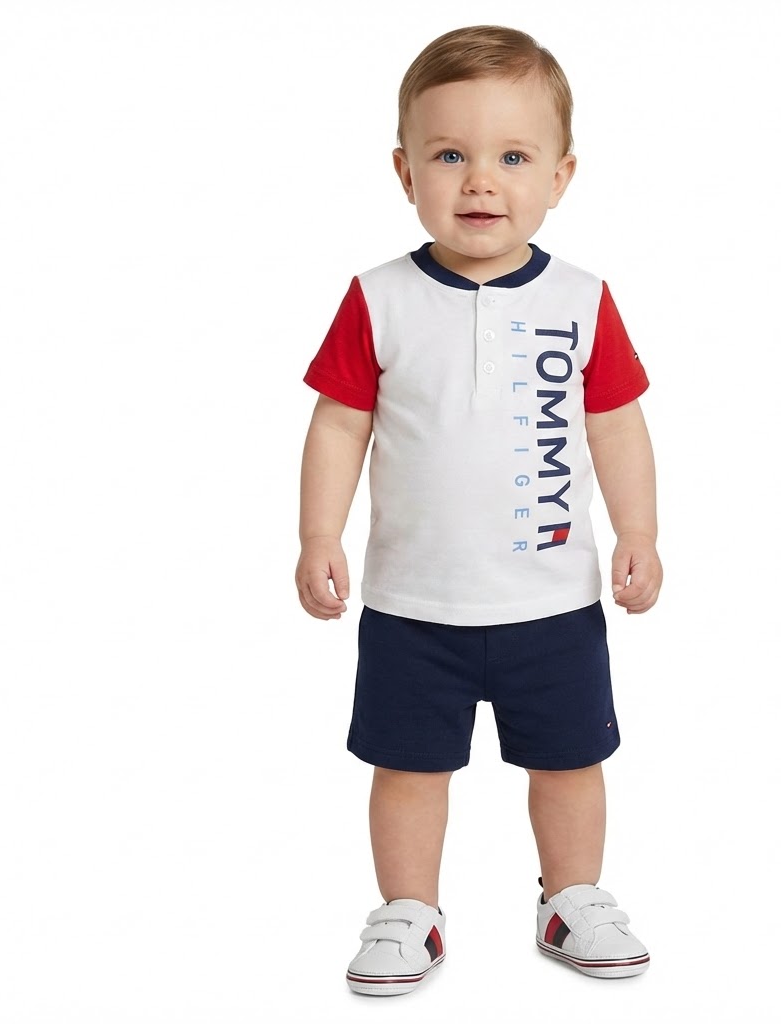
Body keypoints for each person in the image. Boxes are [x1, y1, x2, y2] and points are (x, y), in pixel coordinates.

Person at [296, 24, 663, 997]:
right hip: (414, 606)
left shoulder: (583, 299)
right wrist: (318, 535)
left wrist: (639, 532)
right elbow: (338, 425)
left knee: (572, 759)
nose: (480, 183)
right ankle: (408, 910)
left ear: (561, 175)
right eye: (450, 155)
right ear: (405, 171)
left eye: (513, 157)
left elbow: (617, 426)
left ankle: (571, 896)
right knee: (407, 767)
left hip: (554, 600)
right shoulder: (377, 299)